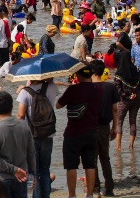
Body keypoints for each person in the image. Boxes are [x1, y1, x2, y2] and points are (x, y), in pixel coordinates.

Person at [56, 66, 103, 198]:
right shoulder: (99, 90)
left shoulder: (73, 89)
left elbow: (58, 105)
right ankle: (89, 194)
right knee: (90, 164)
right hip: (92, 131)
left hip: (73, 132)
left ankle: (72, 195)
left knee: (71, 165)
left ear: (79, 75)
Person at [0, 91, 36, 198]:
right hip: (22, 177)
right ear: (12, 107)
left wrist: (13, 170)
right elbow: (31, 154)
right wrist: (33, 174)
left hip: (0, 178)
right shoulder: (24, 126)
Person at [16, 78, 59, 198]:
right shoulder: (52, 87)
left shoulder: (25, 92)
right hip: (48, 134)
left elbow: (20, 115)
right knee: (45, 170)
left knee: (33, 172)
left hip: (31, 136)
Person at [91, 60, 119, 196]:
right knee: (105, 157)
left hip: (89, 127)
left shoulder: (86, 87)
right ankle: (109, 188)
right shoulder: (110, 87)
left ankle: (95, 187)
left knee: (92, 158)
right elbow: (115, 110)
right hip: (104, 127)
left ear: (91, 72)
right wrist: (115, 127)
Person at [115, 27, 140, 150]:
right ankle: (131, 146)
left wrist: (126, 96)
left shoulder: (119, 73)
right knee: (133, 122)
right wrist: (134, 94)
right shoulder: (135, 70)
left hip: (124, 100)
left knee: (119, 122)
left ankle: (118, 147)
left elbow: (118, 89)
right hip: (136, 99)